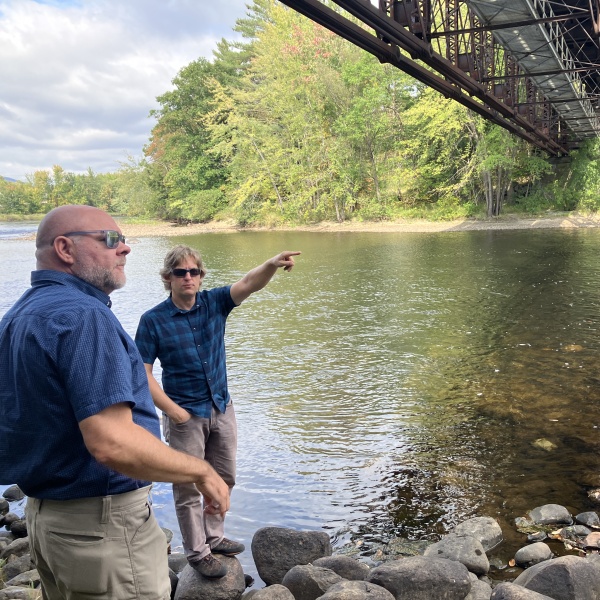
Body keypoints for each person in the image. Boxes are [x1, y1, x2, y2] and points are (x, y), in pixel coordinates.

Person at [0, 206, 230, 600]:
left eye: (122, 239)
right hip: (101, 529)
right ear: (64, 248)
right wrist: (202, 471)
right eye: (110, 239)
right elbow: (112, 442)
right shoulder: (83, 316)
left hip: (49, 522)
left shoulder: (19, 314)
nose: (125, 248)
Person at [135, 244, 301, 578]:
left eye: (194, 271)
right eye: (180, 272)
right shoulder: (153, 321)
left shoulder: (214, 303)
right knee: (187, 486)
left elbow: (249, 283)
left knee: (224, 478)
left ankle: (214, 536)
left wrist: (269, 262)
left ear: (200, 276)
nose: (188, 278)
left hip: (221, 406)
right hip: (185, 416)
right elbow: (142, 374)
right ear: (168, 278)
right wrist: (173, 411)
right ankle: (197, 553)